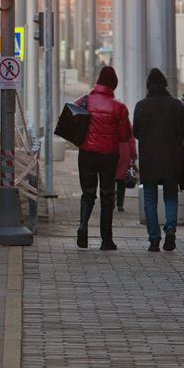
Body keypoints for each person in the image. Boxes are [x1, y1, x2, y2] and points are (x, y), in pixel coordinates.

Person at [133, 68, 184, 252]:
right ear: (165, 85)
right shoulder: (177, 105)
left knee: (150, 198)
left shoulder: (142, 105)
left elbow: (136, 132)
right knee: (170, 195)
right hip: (172, 158)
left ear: (148, 86)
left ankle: (153, 239)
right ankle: (170, 228)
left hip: (149, 159)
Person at [73, 65, 131, 251]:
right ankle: (106, 240)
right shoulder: (119, 107)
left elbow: (71, 120)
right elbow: (124, 136)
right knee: (107, 195)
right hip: (109, 156)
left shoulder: (83, 100)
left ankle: (83, 226)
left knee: (87, 192)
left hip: (86, 153)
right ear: (113, 85)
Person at [114, 125, 138, 213]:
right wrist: (134, 156)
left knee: (111, 178)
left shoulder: (110, 123)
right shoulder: (127, 126)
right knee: (121, 180)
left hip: (112, 150)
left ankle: (111, 198)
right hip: (125, 153)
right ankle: (120, 205)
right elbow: (132, 142)